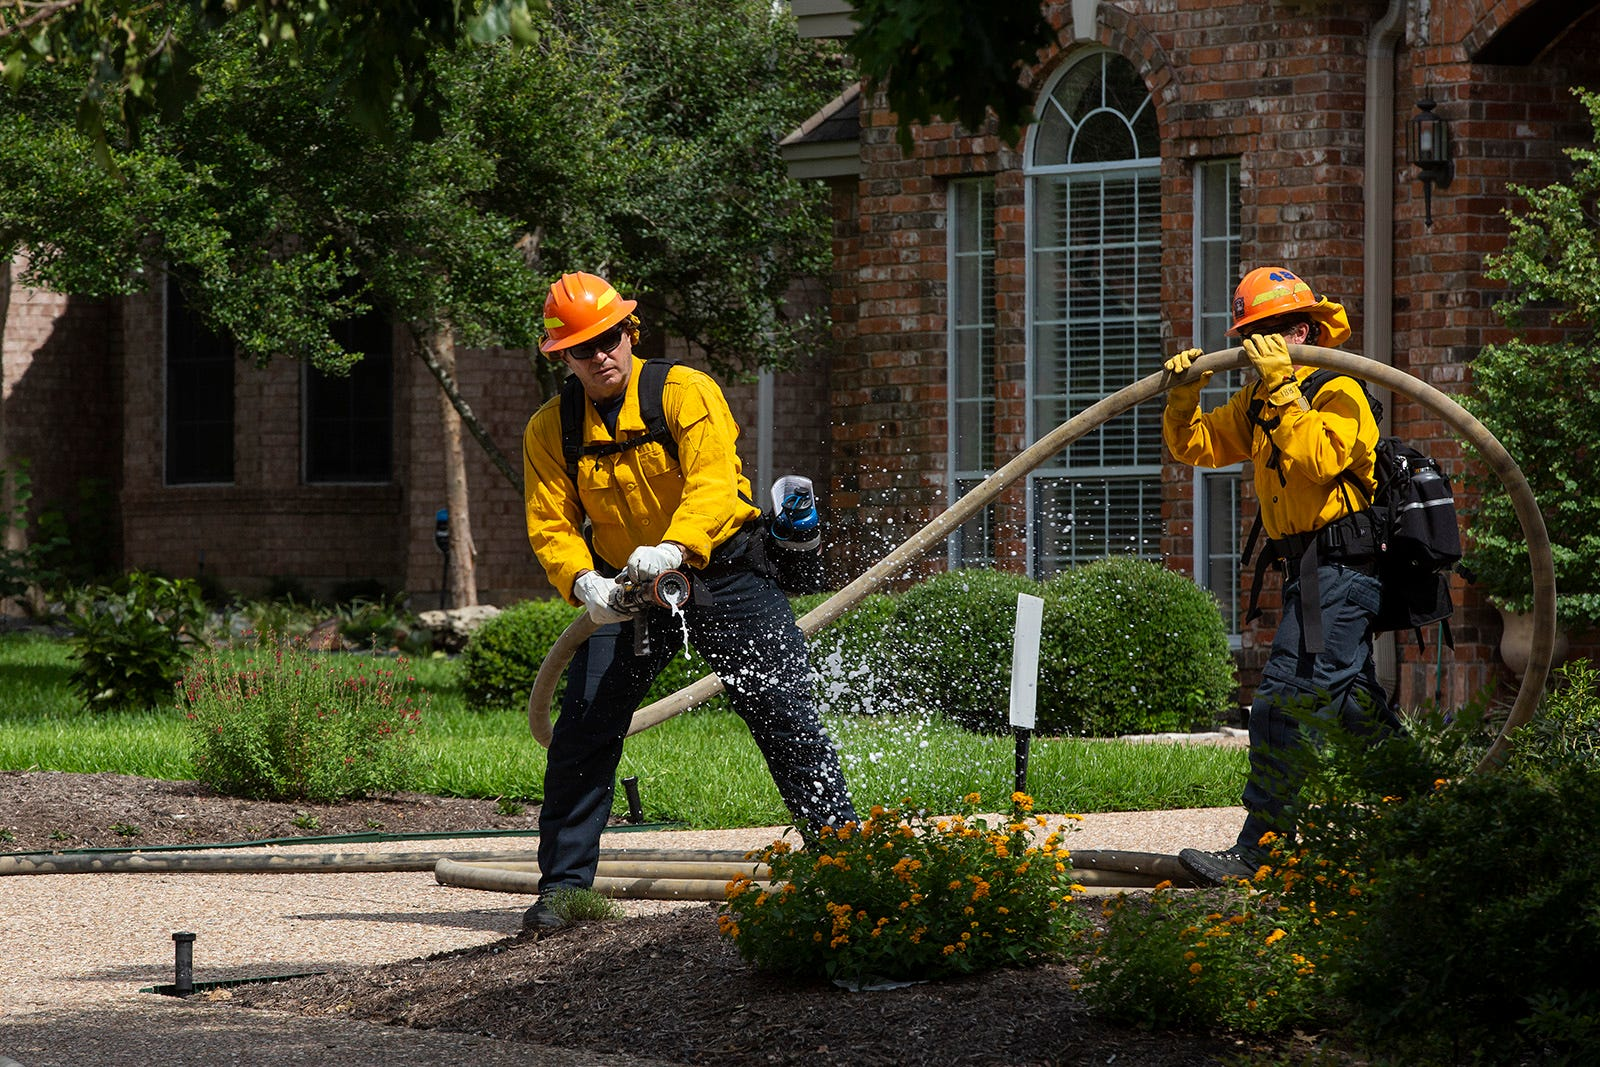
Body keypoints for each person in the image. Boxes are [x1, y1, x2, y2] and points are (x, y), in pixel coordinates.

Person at [520, 270, 857, 929]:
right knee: (583, 729)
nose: (601, 355)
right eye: (583, 347)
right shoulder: (550, 429)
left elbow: (708, 485)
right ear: (563, 356)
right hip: (625, 588)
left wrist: (674, 547)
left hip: (724, 564)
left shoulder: (684, 391)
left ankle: (847, 865)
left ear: (629, 331)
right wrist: (582, 581)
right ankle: (563, 890)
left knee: (782, 709)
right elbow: (550, 524)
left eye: (610, 337)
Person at [1161, 266, 1398, 887]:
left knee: (1279, 706)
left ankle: (1259, 853)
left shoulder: (1339, 388)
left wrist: (1285, 391)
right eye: (1254, 331)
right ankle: (1436, 813)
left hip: (1344, 568)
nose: (1263, 341)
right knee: (1350, 708)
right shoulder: (1261, 397)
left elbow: (1320, 461)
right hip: (1309, 572)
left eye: (1275, 329)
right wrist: (1187, 392)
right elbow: (1197, 446)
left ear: (1306, 328)